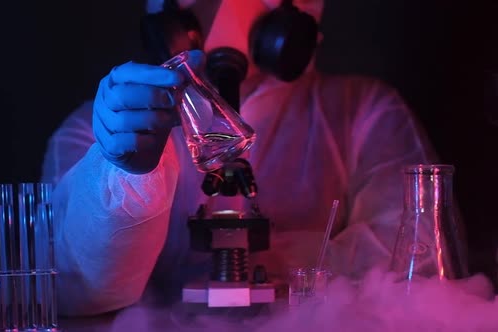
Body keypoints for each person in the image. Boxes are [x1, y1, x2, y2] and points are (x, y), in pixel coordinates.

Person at [41, 0, 438, 317]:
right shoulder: (106, 129)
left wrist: (279, 268)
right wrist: (124, 176)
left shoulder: (364, 115)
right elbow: (74, 289)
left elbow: (419, 266)